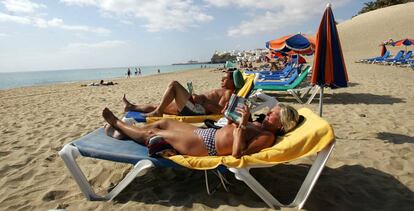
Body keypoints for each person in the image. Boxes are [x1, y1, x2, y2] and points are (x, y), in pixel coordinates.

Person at [102, 103, 299, 158]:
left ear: (281, 124)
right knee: (163, 123)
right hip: (209, 133)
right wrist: (231, 117)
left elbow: (239, 154)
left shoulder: (267, 137)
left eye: (272, 113)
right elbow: (234, 128)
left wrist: (240, 127)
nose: (268, 112)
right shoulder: (259, 125)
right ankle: (127, 131)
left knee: (155, 135)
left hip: (207, 146)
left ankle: (118, 124)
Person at [123, 71, 236, 117]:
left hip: (198, 109)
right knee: (159, 104)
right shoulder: (224, 91)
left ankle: (158, 112)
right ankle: (131, 107)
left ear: (232, 81)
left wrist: (202, 101)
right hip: (193, 105)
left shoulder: (228, 93)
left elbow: (221, 111)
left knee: (174, 85)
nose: (221, 81)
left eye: (224, 79)